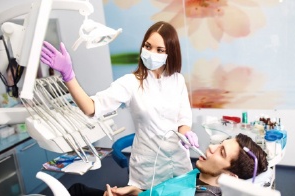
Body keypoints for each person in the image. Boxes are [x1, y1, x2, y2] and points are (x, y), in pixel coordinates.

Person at [40, 21, 199, 190]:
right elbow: (91, 107)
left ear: (170, 52)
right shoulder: (131, 83)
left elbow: (183, 119)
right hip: (148, 171)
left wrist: (186, 133)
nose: (152, 53)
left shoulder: (177, 80)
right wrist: (69, 76)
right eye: (148, 46)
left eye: (159, 50)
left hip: (179, 166)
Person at [102, 133, 268, 196]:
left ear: (231, 175)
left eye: (221, 152)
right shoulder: (198, 176)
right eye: (220, 143)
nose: (211, 147)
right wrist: (136, 192)